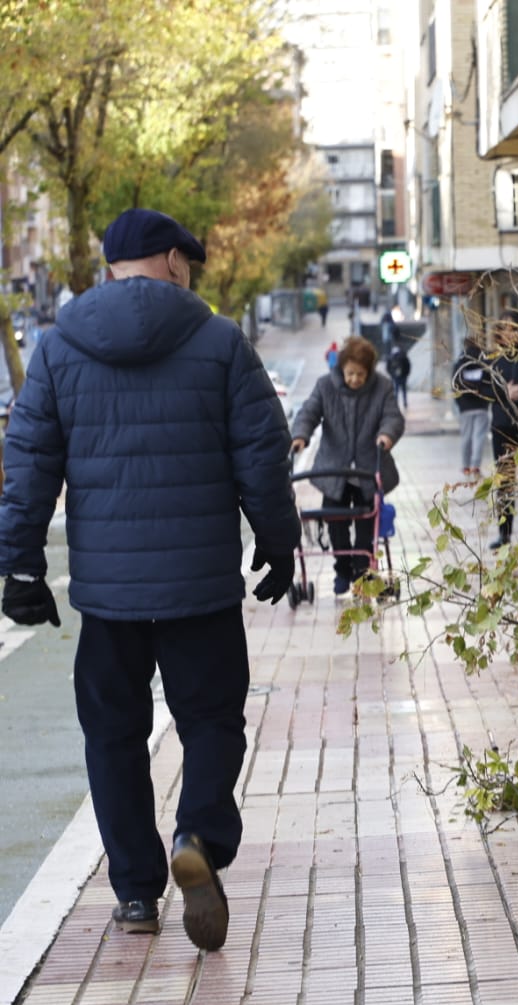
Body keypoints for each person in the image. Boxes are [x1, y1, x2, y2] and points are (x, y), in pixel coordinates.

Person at [0, 208, 300, 953]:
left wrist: (20, 563)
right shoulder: (221, 342)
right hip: (199, 584)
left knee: (112, 734)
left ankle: (136, 891)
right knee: (210, 721)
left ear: (109, 268)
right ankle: (197, 830)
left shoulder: (59, 346)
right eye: (187, 262)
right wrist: (278, 543)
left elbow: (30, 463)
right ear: (170, 259)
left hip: (108, 595)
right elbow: (261, 457)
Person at [290, 336, 405, 595]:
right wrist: (300, 436)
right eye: (350, 373)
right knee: (335, 520)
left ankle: (362, 573)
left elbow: (392, 417)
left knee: (367, 524)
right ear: (341, 368)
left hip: (368, 467)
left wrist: (386, 436)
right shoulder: (325, 386)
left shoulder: (382, 387)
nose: (354, 379)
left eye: (360, 374)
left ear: (369, 371)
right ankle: (342, 569)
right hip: (334, 469)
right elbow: (309, 412)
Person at [486, 311, 518, 550]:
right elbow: (482, 390)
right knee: (505, 482)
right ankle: (504, 535)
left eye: (516, 328)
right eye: (506, 328)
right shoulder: (494, 358)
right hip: (502, 426)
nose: (511, 333)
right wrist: (504, 392)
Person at [451, 336, 494, 480]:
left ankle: (466, 467)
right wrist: (485, 397)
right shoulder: (484, 362)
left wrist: (460, 403)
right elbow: (490, 382)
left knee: (466, 437)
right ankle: (475, 467)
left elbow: (454, 385)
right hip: (481, 406)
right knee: (479, 437)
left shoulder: (460, 363)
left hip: (465, 407)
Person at [386, 342, 411, 411]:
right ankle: (405, 402)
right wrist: (406, 374)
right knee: (403, 390)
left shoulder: (391, 357)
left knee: (396, 390)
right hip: (403, 376)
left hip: (396, 377)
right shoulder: (403, 356)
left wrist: (392, 375)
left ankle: (396, 403)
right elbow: (408, 365)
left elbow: (388, 367)